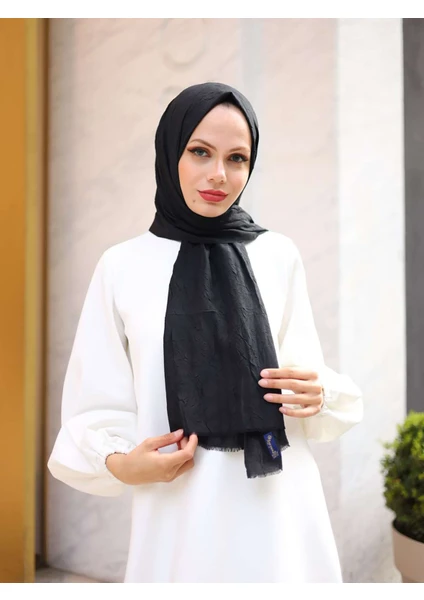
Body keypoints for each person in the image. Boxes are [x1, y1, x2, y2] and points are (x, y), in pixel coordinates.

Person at [48, 81, 363, 583]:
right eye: (200, 152)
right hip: (178, 510)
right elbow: (94, 402)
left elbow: (304, 375)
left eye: (237, 158)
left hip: (281, 507)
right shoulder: (122, 266)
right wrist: (119, 462)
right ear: (170, 151)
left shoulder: (277, 255)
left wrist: (320, 393)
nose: (219, 174)